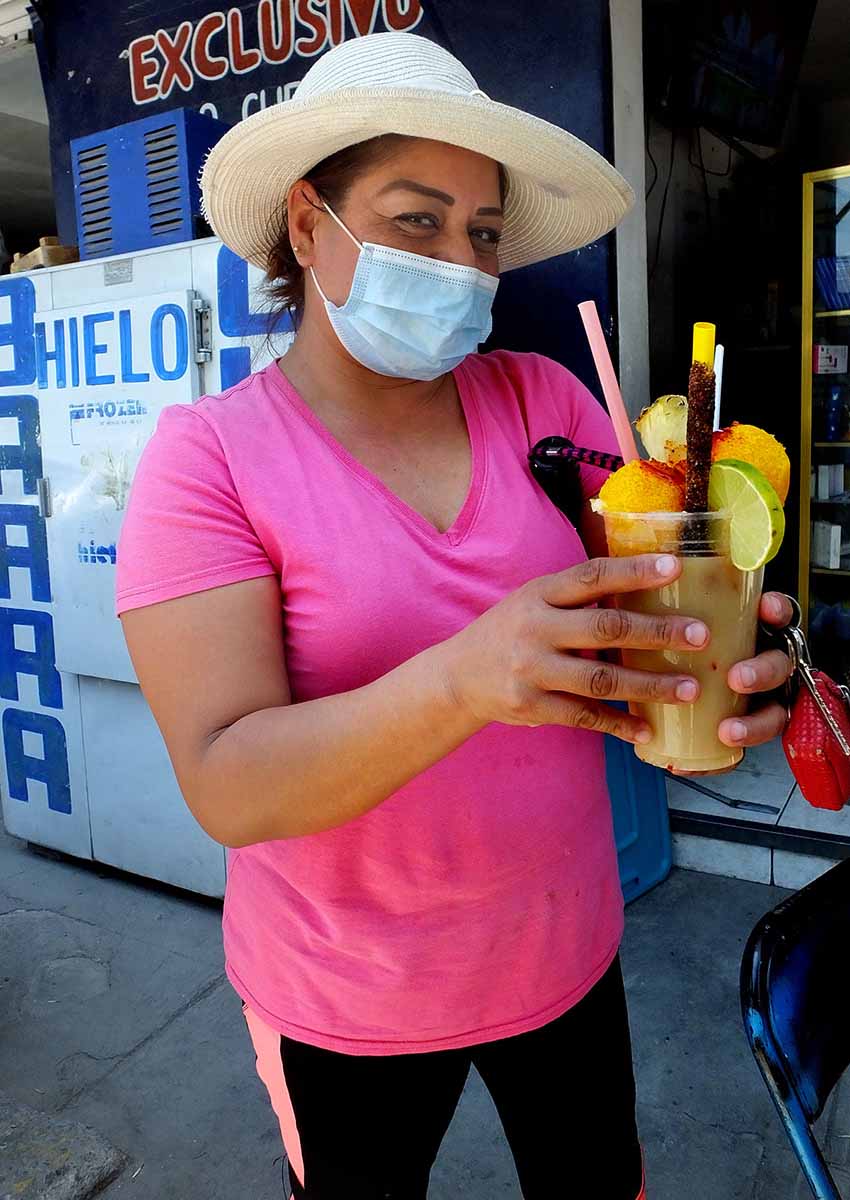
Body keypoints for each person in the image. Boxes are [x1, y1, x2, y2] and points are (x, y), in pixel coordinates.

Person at [115, 31, 792, 1200]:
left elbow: (640, 611)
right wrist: (465, 677)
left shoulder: (541, 397)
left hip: (566, 953)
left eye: (480, 234)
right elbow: (228, 782)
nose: (460, 263)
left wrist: (718, 659)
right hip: (344, 996)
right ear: (308, 224)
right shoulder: (207, 463)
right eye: (415, 221)